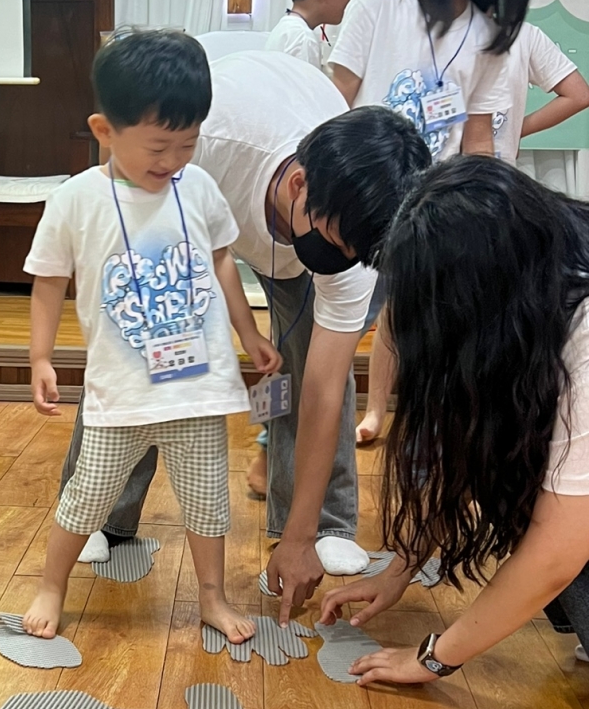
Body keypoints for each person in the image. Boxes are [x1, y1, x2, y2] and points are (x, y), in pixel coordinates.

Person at [60, 50, 430, 585]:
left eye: (351, 254)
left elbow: (323, 390)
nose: (339, 259)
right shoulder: (202, 142)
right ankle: (97, 510)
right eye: (333, 243)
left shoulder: (355, 239)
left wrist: (299, 540)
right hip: (190, 207)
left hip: (281, 222)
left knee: (314, 367)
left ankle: (324, 526)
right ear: (299, 185)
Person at [23, 29, 280, 642]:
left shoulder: (199, 188)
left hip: (198, 388)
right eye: (159, 147)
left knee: (208, 502)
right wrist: (40, 358)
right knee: (87, 496)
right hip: (121, 394)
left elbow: (222, 259)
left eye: (187, 145)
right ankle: (52, 585)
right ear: (104, 130)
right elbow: (48, 281)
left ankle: (212, 598)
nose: (172, 161)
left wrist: (248, 331)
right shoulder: (76, 200)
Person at [319, 157, 589, 683]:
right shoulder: (537, 287)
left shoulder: (581, 331)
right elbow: (475, 446)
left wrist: (434, 657)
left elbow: (558, 550)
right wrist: (399, 571)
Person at [327, 0, 533, 445]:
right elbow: (333, 102)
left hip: (429, 218)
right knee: (331, 338)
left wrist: (487, 219)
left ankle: (404, 443)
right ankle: (285, 449)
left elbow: (478, 142)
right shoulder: (377, 7)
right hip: (357, 207)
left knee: (418, 335)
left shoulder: (490, 38)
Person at [493, 22, 589, 164]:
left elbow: (580, 96)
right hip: (492, 165)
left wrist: (514, 131)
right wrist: (513, 132)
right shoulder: (523, 33)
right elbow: (580, 95)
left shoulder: (524, 34)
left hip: (489, 165)